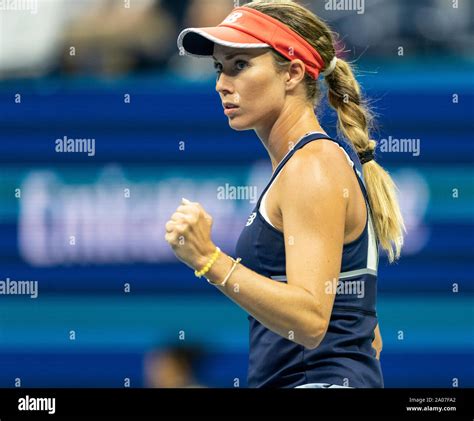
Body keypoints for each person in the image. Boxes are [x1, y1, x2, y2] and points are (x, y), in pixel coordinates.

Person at [165, 1, 405, 388]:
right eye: (219, 68)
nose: (221, 84)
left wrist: (209, 260)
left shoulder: (312, 166)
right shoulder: (311, 163)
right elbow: (368, 335)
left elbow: (310, 321)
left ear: (292, 73)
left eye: (240, 66)